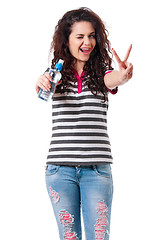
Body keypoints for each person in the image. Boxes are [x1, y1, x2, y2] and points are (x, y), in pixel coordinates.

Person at [35, 7, 133, 240]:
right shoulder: (55, 75)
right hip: (60, 170)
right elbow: (41, 88)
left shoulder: (101, 74)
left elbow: (114, 79)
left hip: (97, 170)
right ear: (66, 40)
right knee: (69, 237)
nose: (87, 42)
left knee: (99, 237)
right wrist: (41, 82)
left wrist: (124, 75)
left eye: (91, 36)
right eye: (80, 36)